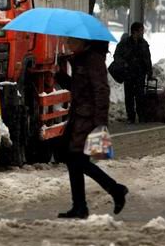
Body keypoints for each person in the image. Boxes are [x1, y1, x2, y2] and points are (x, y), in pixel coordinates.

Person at [58, 37, 128, 219]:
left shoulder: (94, 60)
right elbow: (78, 88)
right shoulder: (81, 59)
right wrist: (60, 74)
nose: (68, 46)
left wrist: (100, 122)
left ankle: (114, 190)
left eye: (72, 42)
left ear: (83, 43)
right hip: (79, 116)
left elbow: (101, 90)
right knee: (74, 160)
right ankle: (81, 205)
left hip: (89, 119)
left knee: (77, 160)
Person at [114, 22, 153, 123]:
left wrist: (149, 72)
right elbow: (117, 56)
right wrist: (124, 64)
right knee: (129, 96)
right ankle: (131, 117)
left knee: (140, 95)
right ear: (135, 31)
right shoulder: (124, 43)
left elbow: (148, 58)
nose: (143, 32)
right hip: (128, 74)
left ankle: (141, 116)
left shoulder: (144, 43)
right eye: (141, 30)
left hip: (140, 74)